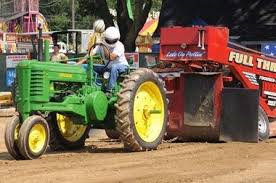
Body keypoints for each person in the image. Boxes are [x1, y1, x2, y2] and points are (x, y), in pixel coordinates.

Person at [77, 26, 129, 92]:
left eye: (113, 40)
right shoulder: (100, 45)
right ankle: (97, 84)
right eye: (109, 40)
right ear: (105, 38)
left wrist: (104, 45)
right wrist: (79, 63)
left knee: (114, 67)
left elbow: (110, 57)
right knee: (86, 66)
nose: (111, 42)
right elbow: (90, 54)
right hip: (107, 67)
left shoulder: (119, 46)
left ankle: (109, 90)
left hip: (121, 66)